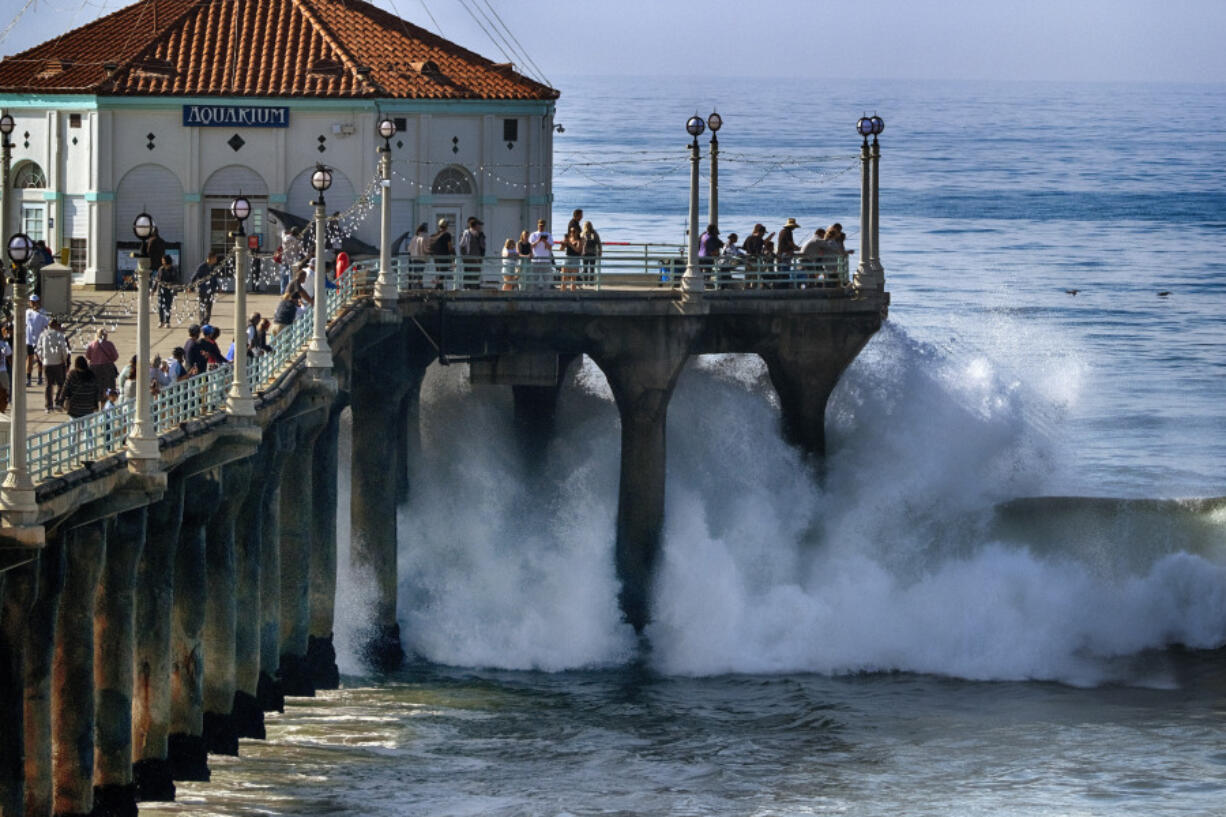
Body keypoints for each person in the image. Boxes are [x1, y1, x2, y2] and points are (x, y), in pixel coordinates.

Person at [35, 318, 70, 412]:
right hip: (58, 362)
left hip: (47, 363)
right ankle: (58, 402)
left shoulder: (42, 335)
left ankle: (48, 405)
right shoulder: (60, 335)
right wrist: (65, 359)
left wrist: (42, 359)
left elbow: (38, 349)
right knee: (61, 384)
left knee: (48, 385)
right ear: (55, 325)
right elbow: (64, 348)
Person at [85, 327, 120, 409]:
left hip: (94, 370)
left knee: (96, 392)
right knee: (107, 392)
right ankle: (104, 412)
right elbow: (115, 357)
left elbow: (87, 356)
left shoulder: (92, 344)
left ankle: (96, 412)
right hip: (107, 370)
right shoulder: (109, 344)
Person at [25, 293, 49, 386]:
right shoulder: (27, 312)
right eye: (31, 302)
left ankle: (39, 377)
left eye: (33, 302)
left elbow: (47, 325)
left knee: (39, 359)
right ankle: (29, 378)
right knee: (29, 358)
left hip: (39, 340)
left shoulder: (43, 312)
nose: (31, 303)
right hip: (29, 340)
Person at [190, 252, 221, 323]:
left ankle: (206, 322)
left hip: (211, 289)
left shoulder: (213, 267)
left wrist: (218, 287)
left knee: (209, 307)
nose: (216, 260)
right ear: (211, 258)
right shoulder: (202, 266)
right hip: (203, 289)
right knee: (202, 306)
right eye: (215, 258)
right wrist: (190, 286)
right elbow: (195, 276)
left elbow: (214, 278)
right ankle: (202, 322)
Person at [458, 217, 487, 290]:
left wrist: (481, 257)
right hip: (469, 259)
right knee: (468, 274)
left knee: (476, 274)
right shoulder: (466, 234)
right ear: (475, 226)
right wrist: (465, 257)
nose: (480, 227)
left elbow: (482, 247)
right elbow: (462, 246)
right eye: (479, 225)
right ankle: (468, 289)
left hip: (478, 259)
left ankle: (475, 288)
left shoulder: (481, 235)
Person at [152, 253, 177, 327]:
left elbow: (176, 280)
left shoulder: (173, 269)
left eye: (163, 260)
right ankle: (161, 321)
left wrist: (171, 285)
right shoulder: (161, 269)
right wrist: (154, 289)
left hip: (169, 290)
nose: (162, 262)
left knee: (168, 306)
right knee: (160, 306)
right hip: (161, 290)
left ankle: (167, 321)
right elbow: (157, 279)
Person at [528, 219, 554, 288]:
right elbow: (530, 246)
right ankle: (534, 293)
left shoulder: (548, 235)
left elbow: (550, 248)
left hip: (545, 260)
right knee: (534, 279)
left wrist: (545, 241)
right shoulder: (533, 235)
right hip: (535, 260)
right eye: (540, 225)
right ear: (538, 225)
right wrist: (538, 241)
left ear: (544, 226)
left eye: (542, 226)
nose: (541, 227)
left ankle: (546, 293)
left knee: (546, 279)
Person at [428, 218, 454, 287]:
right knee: (442, 273)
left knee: (439, 272)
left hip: (436, 258)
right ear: (446, 226)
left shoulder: (434, 235)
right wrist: (453, 256)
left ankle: (438, 286)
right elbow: (450, 247)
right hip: (444, 257)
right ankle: (439, 287)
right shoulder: (447, 235)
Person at [776, 218, 801, 286]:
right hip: (785, 253)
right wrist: (798, 248)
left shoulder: (782, 231)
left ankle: (781, 285)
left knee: (781, 270)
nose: (794, 228)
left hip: (780, 253)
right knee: (785, 270)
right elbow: (790, 243)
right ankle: (785, 285)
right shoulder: (788, 232)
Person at [560, 225, 582, 290]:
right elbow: (561, 249)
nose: (572, 233)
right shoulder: (568, 239)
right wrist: (563, 243)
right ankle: (562, 293)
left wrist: (570, 244)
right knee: (564, 277)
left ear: (577, 232)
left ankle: (572, 293)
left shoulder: (579, 241)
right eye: (571, 231)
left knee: (573, 278)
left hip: (575, 259)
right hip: (567, 258)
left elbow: (578, 250)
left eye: (574, 231)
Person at [407, 223, 428, 287]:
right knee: (420, 273)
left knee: (416, 272)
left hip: (414, 258)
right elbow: (425, 249)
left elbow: (409, 248)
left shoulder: (414, 238)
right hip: (422, 258)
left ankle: (415, 285)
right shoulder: (423, 238)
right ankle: (419, 285)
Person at [581, 220, 602, 284]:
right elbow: (599, 243)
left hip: (585, 253)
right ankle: (591, 282)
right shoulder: (595, 233)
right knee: (592, 268)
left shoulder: (583, 234)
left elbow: (581, 243)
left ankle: (585, 282)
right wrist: (600, 251)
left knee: (585, 268)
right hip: (593, 253)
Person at [0, 326, 10, 413]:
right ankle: (2, 410)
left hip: (2, 371)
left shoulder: (4, 344)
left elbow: (9, 356)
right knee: (4, 392)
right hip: (3, 371)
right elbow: (10, 357)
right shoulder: (4, 343)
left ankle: (2, 410)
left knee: (4, 392)